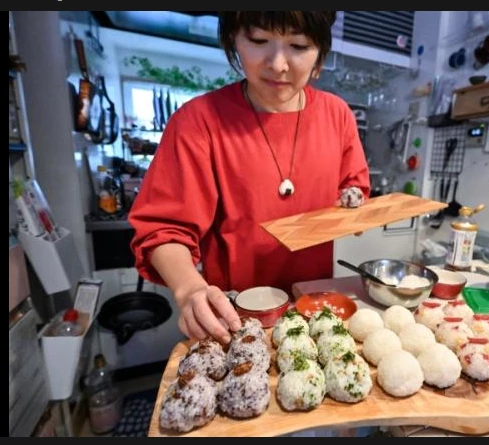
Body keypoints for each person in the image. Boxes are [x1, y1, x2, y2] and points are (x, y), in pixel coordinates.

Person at [128, 11, 370, 345]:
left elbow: (354, 187)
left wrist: (354, 205)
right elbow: (163, 229)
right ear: (233, 39)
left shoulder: (337, 115)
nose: (279, 64)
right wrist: (189, 289)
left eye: (298, 46)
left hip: (316, 312)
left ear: (320, 53)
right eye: (259, 41)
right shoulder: (198, 122)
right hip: (234, 318)